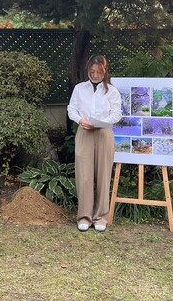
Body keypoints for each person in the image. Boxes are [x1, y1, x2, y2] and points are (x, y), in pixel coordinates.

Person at [67, 55, 122, 232]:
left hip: (104, 133)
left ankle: (101, 217)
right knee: (84, 175)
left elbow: (117, 114)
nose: (95, 75)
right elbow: (71, 109)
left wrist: (101, 121)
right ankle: (84, 216)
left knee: (103, 175)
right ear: (88, 71)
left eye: (99, 72)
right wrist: (80, 119)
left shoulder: (111, 91)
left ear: (105, 72)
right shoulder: (79, 88)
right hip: (84, 132)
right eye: (92, 72)